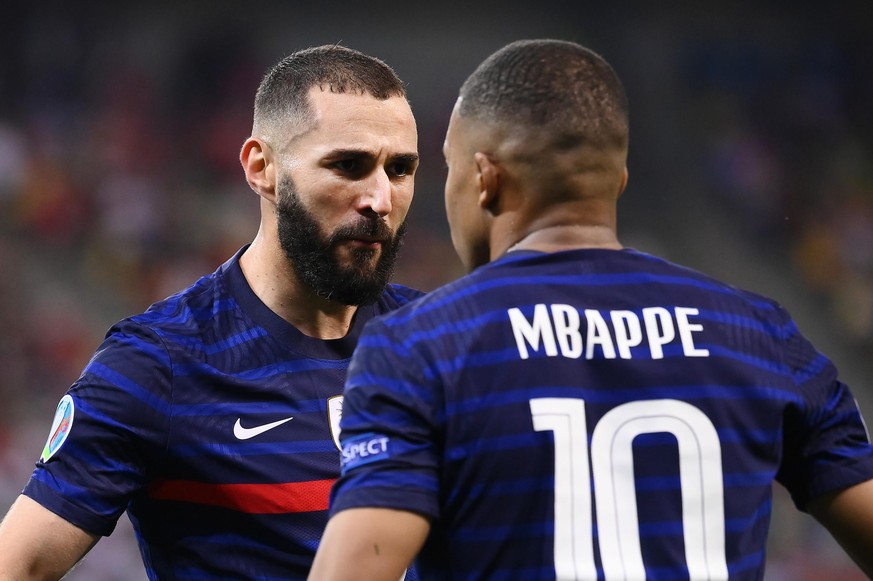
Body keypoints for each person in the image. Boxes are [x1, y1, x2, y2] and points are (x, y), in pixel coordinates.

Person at [309, 39, 873, 580]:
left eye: (450, 169)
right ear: (618, 181)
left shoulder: (419, 348)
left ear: (485, 179)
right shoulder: (758, 336)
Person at [0, 44, 422, 580]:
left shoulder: (439, 341)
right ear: (262, 168)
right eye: (348, 166)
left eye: (401, 169)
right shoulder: (161, 364)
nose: (380, 199)